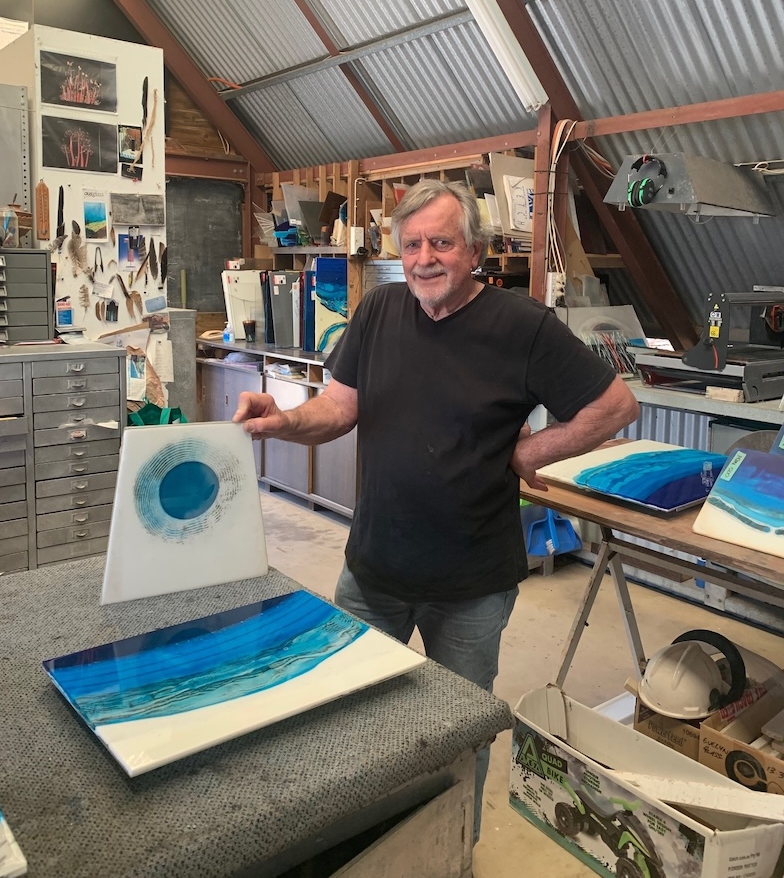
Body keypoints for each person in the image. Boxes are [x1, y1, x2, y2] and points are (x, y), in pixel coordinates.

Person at [234, 179, 639, 840]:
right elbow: (338, 406)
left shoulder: (522, 326)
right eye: (413, 242)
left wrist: (532, 450)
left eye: (441, 242)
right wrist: (282, 419)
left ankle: (452, 850)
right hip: (373, 571)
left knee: (458, 735)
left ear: (474, 251)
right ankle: (364, 845)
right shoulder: (380, 310)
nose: (424, 257)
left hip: (471, 585)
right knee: (349, 719)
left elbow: (615, 406)